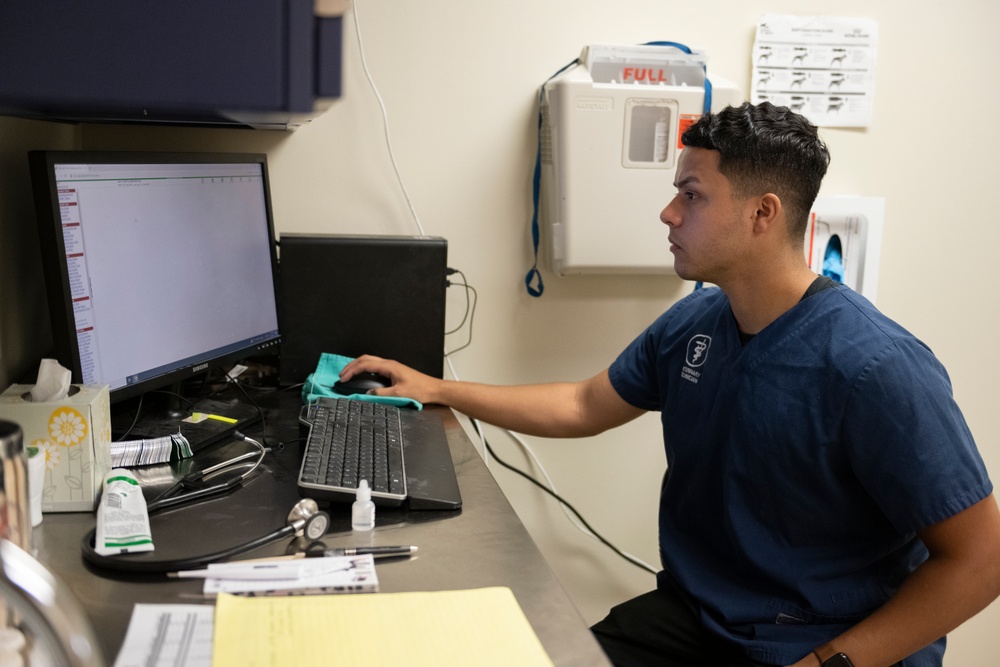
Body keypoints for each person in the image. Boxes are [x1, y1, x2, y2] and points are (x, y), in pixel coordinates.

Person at [339, 102, 1000, 667]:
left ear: (762, 213)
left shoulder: (875, 367)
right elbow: (583, 402)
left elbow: (981, 559)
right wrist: (438, 388)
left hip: (824, 639)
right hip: (704, 619)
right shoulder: (698, 322)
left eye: (691, 195)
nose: (667, 213)